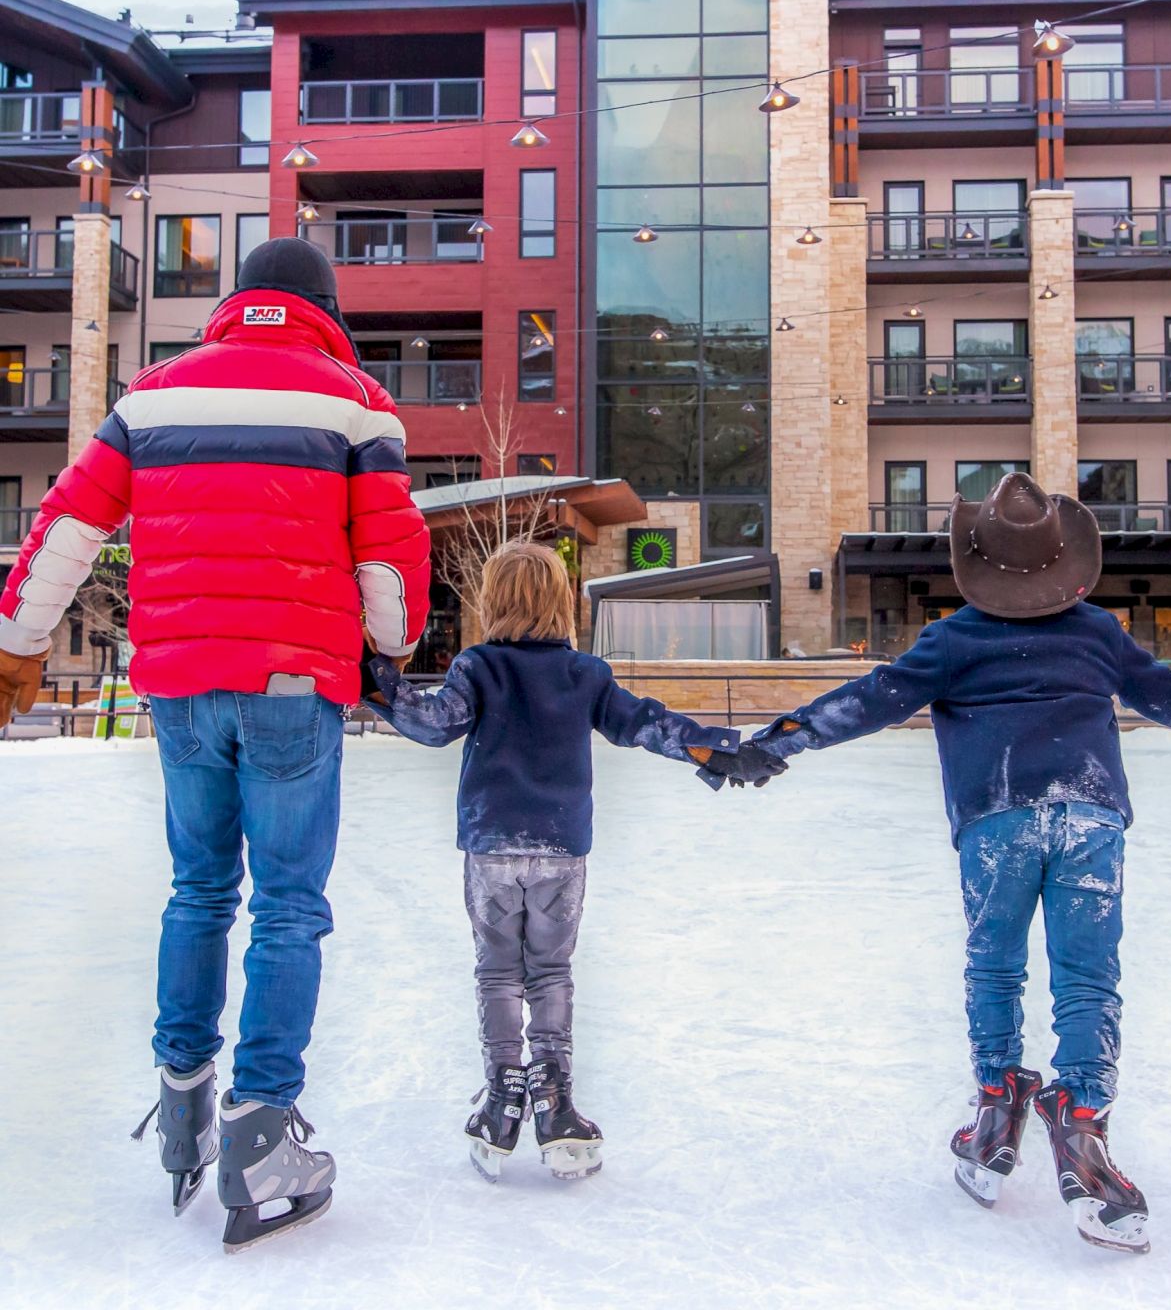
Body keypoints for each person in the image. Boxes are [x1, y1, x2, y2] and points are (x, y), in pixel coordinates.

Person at [0, 236, 431, 1253]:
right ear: (325, 307)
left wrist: (17, 642)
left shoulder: (151, 396)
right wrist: (391, 643)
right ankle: (262, 1132)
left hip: (183, 684)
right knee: (287, 905)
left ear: (237, 304)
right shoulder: (356, 400)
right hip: (293, 682)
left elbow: (69, 522)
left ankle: (184, 1101)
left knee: (200, 891)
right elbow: (391, 549)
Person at [748, 473, 1171, 1254]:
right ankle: (1082, 1120)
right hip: (1090, 819)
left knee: (995, 969)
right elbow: (1167, 696)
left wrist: (777, 740)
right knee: (1088, 977)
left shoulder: (952, 641)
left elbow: (870, 698)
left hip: (998, 822)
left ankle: (996, 1104)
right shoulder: (1096, 632)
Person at [362, 541, 782, 1184]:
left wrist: (373, 674)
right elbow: (647, 724)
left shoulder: (479, 667)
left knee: (499, 973)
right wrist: (716, 750)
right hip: (560, 847)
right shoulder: (585, 674)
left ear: (494, 600)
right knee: (550, 971)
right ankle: (555, 1106)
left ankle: (503, 1103)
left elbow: (431, 724)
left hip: (492, 844)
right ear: (560, 601)